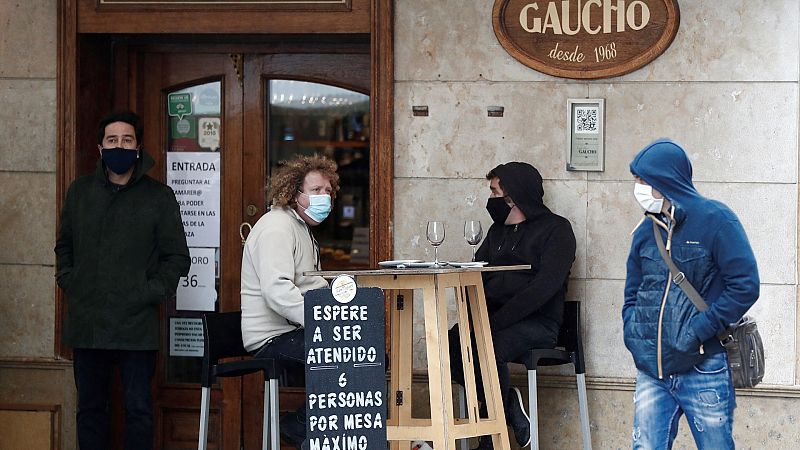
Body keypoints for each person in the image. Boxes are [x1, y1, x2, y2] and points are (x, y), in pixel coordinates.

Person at [54, 111, 191, 450]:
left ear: (138, 147)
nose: (119, 146)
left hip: (136, 326)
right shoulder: (80, 192)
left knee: (139, 410)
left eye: (127, 140)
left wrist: (149, 292)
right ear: (100, 148)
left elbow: (176, 257)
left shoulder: (159, 196)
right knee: (89, 411)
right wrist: (72, 282)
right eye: (112, 140)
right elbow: (64, 247)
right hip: (88, 322)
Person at [624, 139, 760, 449]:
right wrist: (633, 333)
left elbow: (745, 285)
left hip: (704, 366)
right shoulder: (647, 230)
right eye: (637, 180)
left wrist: (698, 331)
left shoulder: (716, 219)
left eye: (644, 180)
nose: (639, 187)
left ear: (665, 179)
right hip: (651, 370)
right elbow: (633, 290)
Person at [449, 162, 577, 449]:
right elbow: (476, 273)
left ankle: (489, 441)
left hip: (538, 323)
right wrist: (476, 316)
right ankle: (508, 406)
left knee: (487, 344)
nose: (491, 199)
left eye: (495, 192)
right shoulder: (497, 232)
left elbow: (543, 288)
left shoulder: (556, 230)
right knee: (451, 343)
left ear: (514, 196)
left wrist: (493, 322)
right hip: (495, 321)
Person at [240, 154, 339, 450]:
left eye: (328, 190)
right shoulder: (276, 228)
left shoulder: (300, 227)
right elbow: (278, 291)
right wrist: (323, 322)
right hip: (271, 338)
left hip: (292, 331)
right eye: (316, 190)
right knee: (344, 354)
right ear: (293, 193)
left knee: (367, 353)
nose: (325, 197)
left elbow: (309, 283)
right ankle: (299, 426)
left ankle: (324, 435)